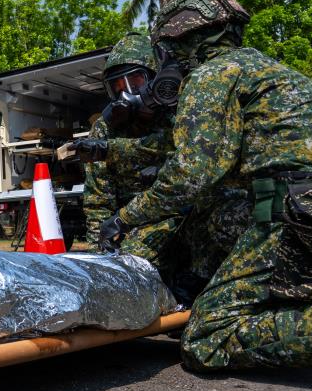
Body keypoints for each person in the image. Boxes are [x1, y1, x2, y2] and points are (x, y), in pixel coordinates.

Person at [99, 0, 312, 371]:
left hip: (298, 209)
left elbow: (190, 176)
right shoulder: (262, 69)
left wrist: (125, 218)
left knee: (206, 337)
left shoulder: (212, 76)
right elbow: (170, 147)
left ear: (184, 43)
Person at [75, 33, 250, 305]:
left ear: (156, 79)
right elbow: (98, 200)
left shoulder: (183, 112)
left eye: (135, 82)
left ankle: (205, 288)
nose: (126, 93)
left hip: (190, 215)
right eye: (116, 86)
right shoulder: (105, 129)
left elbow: (187, 158)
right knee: (129, 265)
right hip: (137, 224)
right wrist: (101, 256)